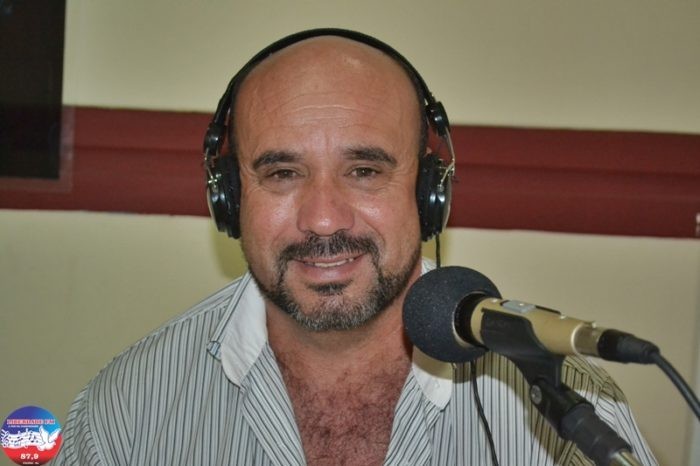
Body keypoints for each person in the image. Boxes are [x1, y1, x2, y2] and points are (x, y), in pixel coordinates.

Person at [54, 29, 657, 465]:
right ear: (231, 199)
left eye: (365, 171)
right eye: (283, 173)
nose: (323, 219)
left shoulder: (566, 408)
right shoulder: (129, 410)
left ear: (429, 194)